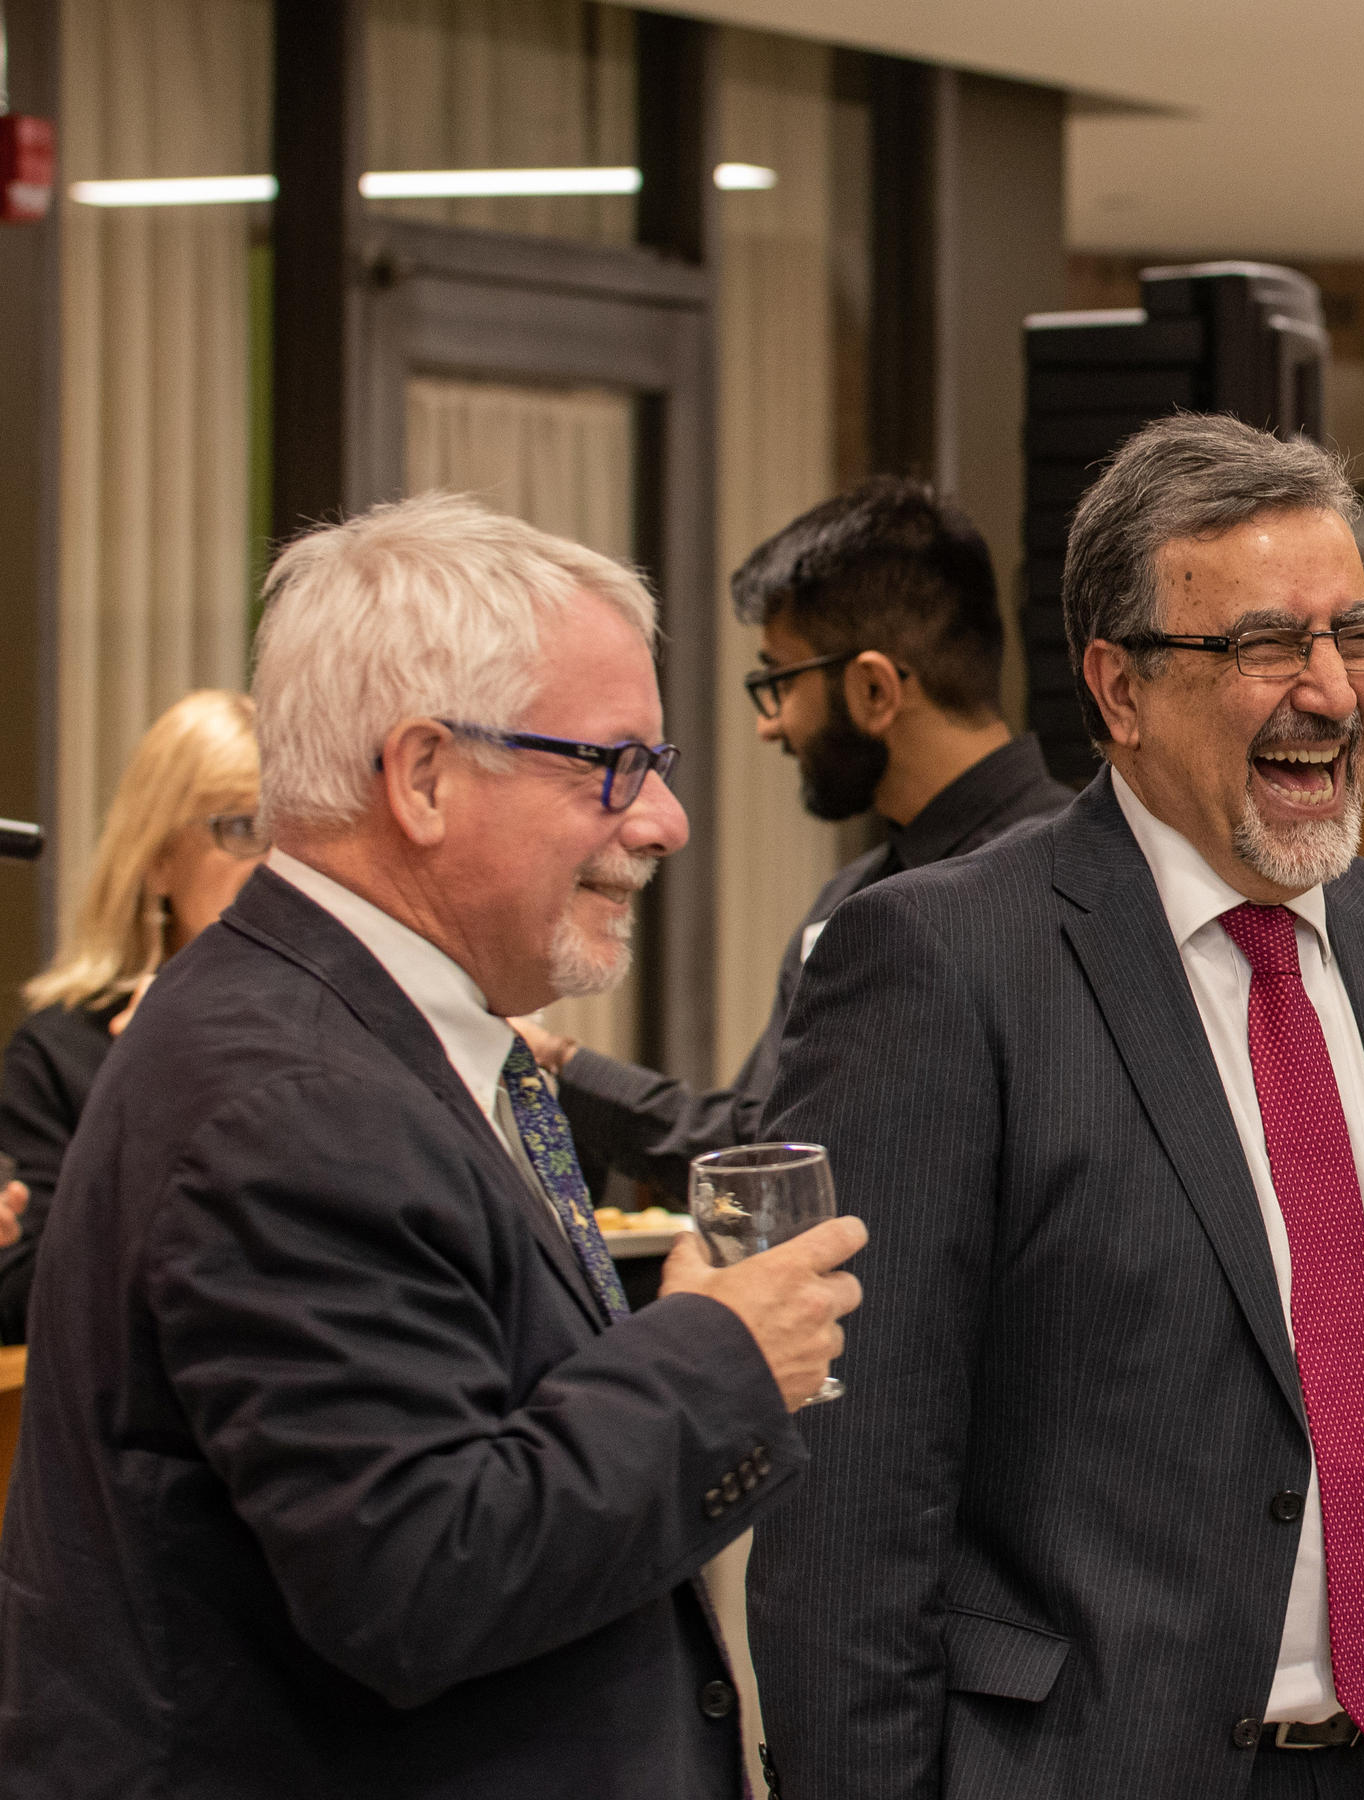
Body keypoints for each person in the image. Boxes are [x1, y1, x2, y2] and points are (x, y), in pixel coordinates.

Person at [0, 493, 867, 1797]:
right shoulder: (291, 1099)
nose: (663, 822)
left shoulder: (361, 1030)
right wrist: (716, 1361)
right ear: (421, 775)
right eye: (613, 765)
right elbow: (421, 1577)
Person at [750, 415, 1364, 1799]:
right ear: (1118, 691)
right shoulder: (943, 967)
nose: (1329, 691)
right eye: (1261, 644)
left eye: (1352, 636)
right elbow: (854, 1506)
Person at [520, 478, 1065, 1186]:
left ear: (875, 690)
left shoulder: (1076, 884)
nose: (768, 723)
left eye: (780, 680)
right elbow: (768, 1141)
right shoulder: (852, 898)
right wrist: (559, 1065)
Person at [0, 690, 265, 1342]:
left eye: (298, 832)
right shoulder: (63, 1052)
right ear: (156, 860)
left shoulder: (344, 1033)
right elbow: (20, 1298)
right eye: (242, 828)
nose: (276, 863)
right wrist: (160, 1088)